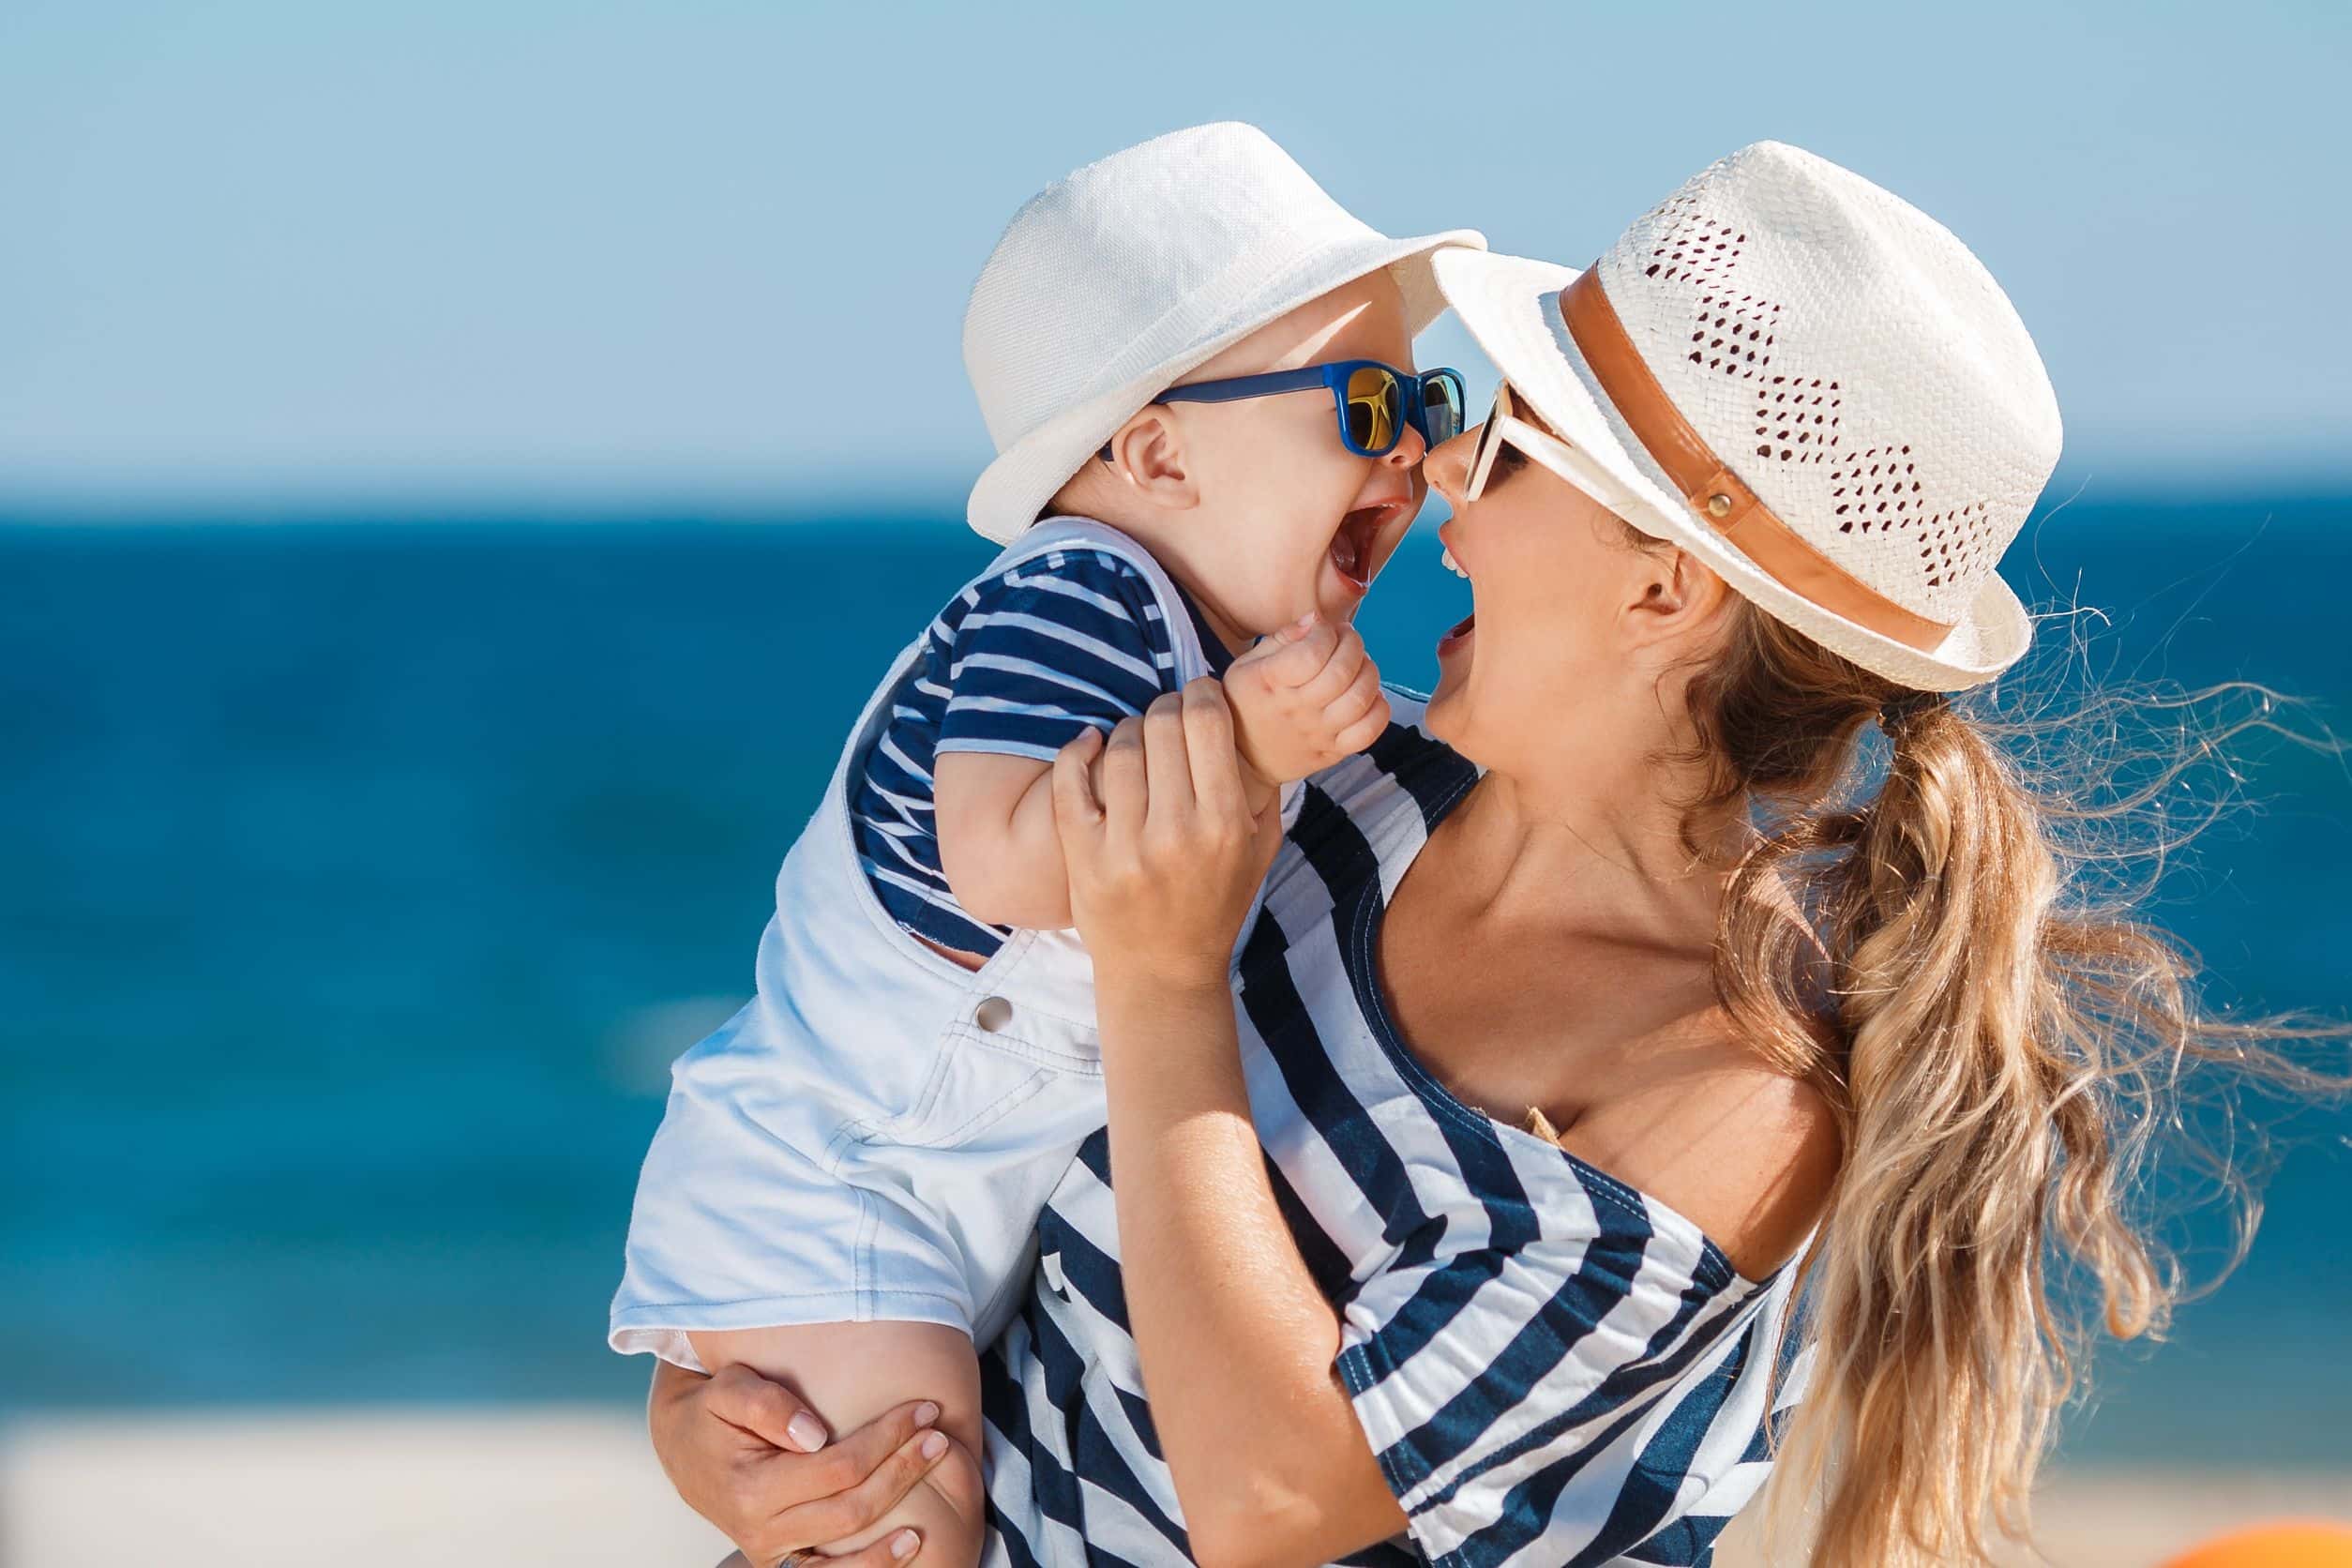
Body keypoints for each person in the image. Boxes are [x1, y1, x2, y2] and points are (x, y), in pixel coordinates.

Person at [655, 142, 2334, 1567]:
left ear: (1662, 592)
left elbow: (1273, 1498)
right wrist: (732, 1404)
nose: (1443, 481)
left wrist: (1172, 976)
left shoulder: (1731, 1101)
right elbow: (935, 1122)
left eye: (1508, 444)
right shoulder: (1340, 801)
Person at [607, 121, 1482, 1568]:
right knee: (897, 1521)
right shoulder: (1085, 588)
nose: (1420, 459)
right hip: (844, 1179)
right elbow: (1002, 861)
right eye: (1369, 407)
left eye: (1431, 401)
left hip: (940, 1190)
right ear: (1155, 451)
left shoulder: (1201, 642)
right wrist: (1253, 747)